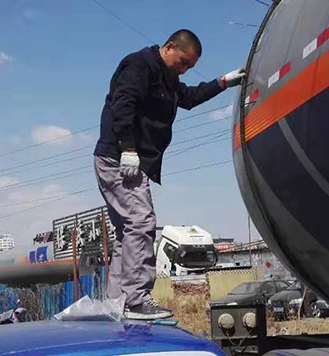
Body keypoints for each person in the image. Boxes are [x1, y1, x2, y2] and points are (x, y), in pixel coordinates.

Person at [94, 29, 245, 319]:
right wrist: (128, 148)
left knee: (127, 232)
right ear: (170, 46)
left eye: (190, 66)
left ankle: (118, 303)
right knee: (141, 222)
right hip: (120, 158)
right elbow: (122, 104)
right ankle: (136, 300)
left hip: (125, 159)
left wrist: (222, 82)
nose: (184, 69)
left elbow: (188, 97)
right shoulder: (140, 66)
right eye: (183, 61)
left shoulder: (168, 77)